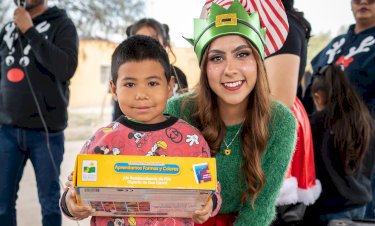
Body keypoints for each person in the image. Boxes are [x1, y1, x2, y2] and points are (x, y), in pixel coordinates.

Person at [60, 35, 221, 226]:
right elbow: (74, 191)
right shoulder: (101, 142)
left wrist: (209, 205)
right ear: (113, 89)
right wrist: (71, 204)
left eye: (152, 83)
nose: (141, 95)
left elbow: (211, 189)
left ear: (170, 87)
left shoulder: (191, 140)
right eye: (129, 84)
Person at [166, 1, 297, 225]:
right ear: (204, 68)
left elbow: (259, 208)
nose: (230, 70)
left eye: (242, 54)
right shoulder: (178, 111)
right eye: (216, 58)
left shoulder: (281, 122)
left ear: (258, 62)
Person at [0, 0, 78, 225]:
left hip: (46, 133)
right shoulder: (7, 29)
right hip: (7, 131)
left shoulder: (62, 25)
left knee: (50, 204)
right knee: (3, 204)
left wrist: (29, 30)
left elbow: (66, 68)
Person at [304, 0, 375, 220]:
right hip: (318, 149)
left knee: (352, 214)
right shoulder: (335, 44)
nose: (363, 2)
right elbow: (310, 87)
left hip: (360, 151)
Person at [264, 1, 321, 225]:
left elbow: (280, 98)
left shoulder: (281, 25)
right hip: (268, 119)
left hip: (274, 123)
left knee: (275, 212)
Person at [303, 64, 375, 225]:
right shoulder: (367, 122)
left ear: (318, 96)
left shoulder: (315, 124)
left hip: (328, 209)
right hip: (360, 204)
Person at [112, 18, 189, 121]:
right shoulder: (123, 74)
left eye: (152, 83)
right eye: (130, 84)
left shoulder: (179, 75)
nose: (147, 45)